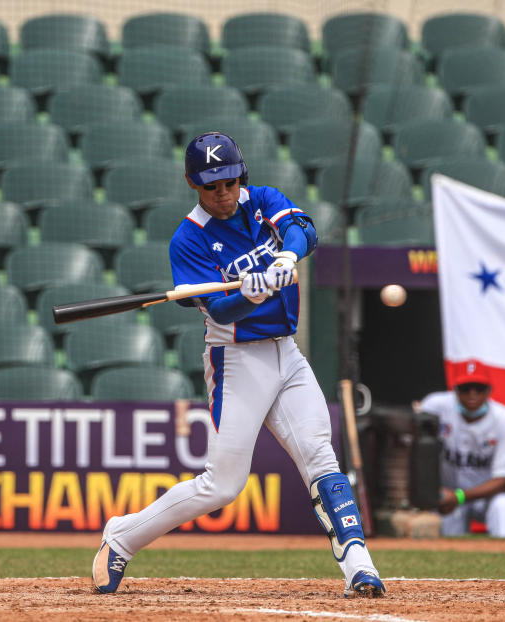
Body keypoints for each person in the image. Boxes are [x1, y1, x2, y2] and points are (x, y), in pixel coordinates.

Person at [92, 132, 386, 598]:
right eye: (212, 186)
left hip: (287, 353)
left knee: (321, 457)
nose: (222, 194)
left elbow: (304, 230)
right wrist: (247, 293)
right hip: (236, 358)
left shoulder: (262, 202)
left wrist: (287, 254)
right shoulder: (188, 240)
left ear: (240, 176)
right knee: (223, 486)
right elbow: (217, 312)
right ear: (194, 185)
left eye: (229, 182)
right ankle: (121, 537)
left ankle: (360, 567)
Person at [416, 361, 505, 537]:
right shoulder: (436, 406)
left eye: (479, 388)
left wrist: (459, 496)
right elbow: (412, 431)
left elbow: (503, 481)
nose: (472, 394)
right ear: (455, 389)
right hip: (449, 495)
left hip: (486, 497)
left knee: (502, 505)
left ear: (489, 390)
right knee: (448, 545)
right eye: (466, 388)